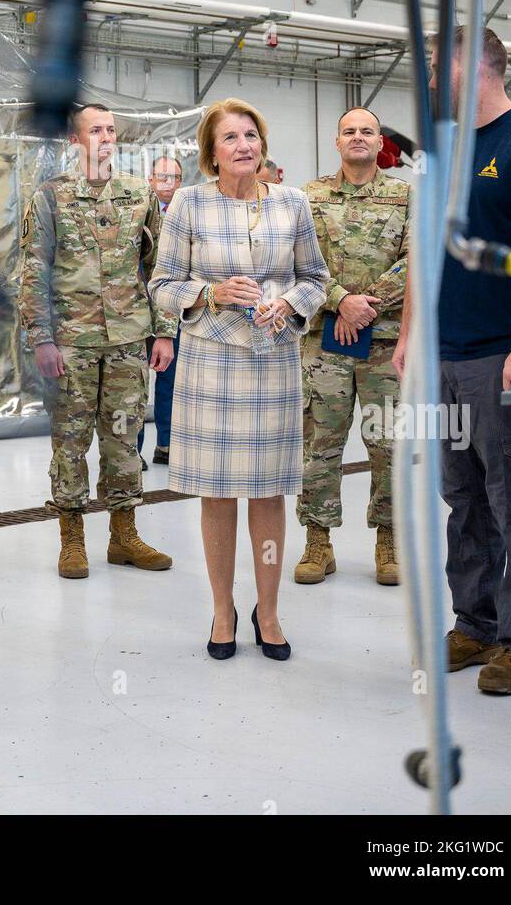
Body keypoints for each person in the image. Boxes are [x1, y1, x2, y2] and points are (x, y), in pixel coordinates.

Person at [394, 26, 511, 696]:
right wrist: (408, 336)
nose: (429, 82)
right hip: (444, 356)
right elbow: (423, 249)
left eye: (435, 68)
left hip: (503, 357)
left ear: (469, 66)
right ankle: (475, 622)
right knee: (460, 496)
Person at [149, 98, 328, 661]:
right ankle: (223, 610)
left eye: (251, 134)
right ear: (212, 152)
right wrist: (210, 292)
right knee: (218, 492)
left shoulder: (292, 204)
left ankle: (268, 611)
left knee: (269, 492)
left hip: (272, 359)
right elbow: (162, 284)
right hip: (210, 362)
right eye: (230, 138)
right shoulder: (187, 203)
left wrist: (291, 304)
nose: (243, 145)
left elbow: (316, 278)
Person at [19, 103, 177, 578]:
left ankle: (124, 536)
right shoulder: (49, 197)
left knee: (124, 437)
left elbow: (161, 268)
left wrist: (165, 331)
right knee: (70, 440)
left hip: (129, 338)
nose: (105, 138)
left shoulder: (137, 195)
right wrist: (42, 339)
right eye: (95, 130)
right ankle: (72, 538)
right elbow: (32, 271)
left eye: (110, 130)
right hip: (72, 340)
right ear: (75, 140)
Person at [296, 107, 410, 586]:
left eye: (366, 131)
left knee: (388, 444)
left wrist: (368, 306)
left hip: (385, 343)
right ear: (336, 141)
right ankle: (318, 541)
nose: (357, 137)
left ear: (379, 141)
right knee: (321, 443)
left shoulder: (406, 197)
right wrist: (342, 302)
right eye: (349, 131)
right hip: (326, 340)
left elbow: (416, 260)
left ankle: (389, 539)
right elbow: (299, 261)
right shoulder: (308, 197)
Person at [137, 155, 184, 466]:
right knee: (135, 385)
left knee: (170, 381)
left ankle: (166, 444)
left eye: (175, 177)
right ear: (150, 179)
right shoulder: (135, 211)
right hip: (136, 314)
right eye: (162, 177)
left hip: (169, 311)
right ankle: (132, 450)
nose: (169, 183)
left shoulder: (187, 215)